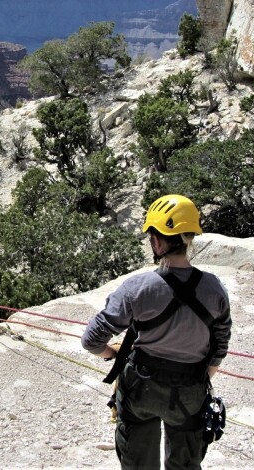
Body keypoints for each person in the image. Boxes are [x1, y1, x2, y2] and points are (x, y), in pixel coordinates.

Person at [81, 194, 231, 470]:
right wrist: (199, 380)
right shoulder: (215, 288)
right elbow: (219, 346)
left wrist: (113, 353)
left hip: (141, 385)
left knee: (137, 462)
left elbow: (91, 340)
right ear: (189, 238)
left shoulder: (138, 287)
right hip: (190, 388)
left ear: (158, 241)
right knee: (185, 463)